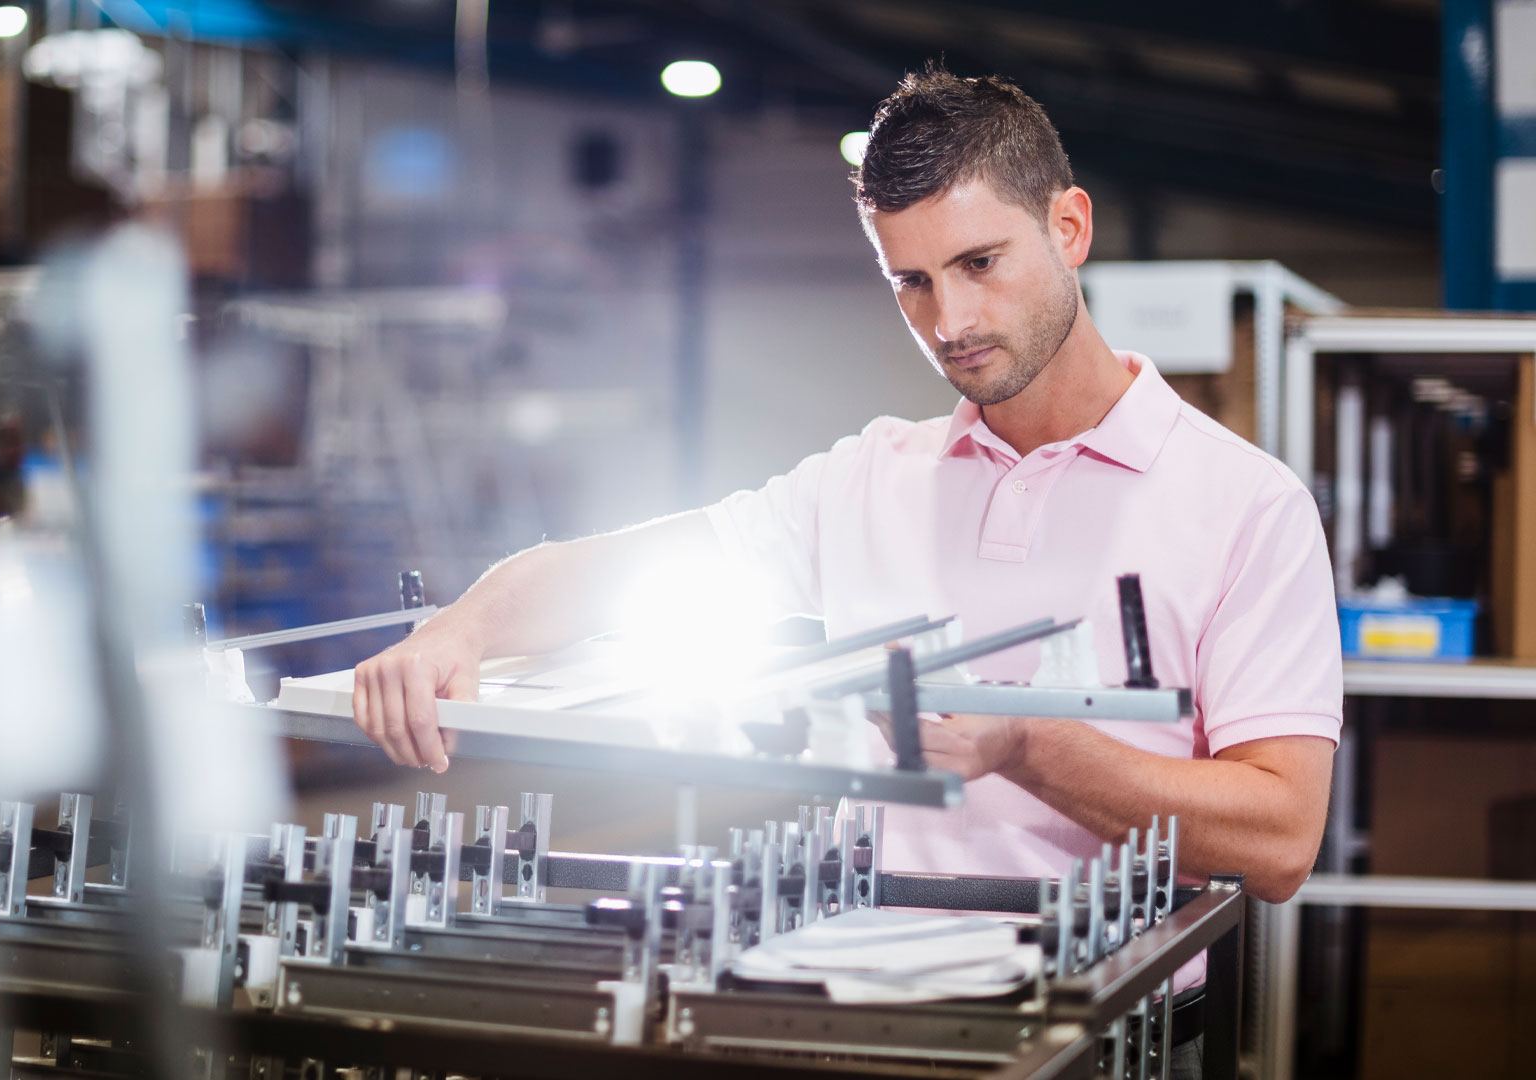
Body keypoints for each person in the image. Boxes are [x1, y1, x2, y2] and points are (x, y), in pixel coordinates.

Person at [349, 67, 1341, 1078]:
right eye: (911, 282)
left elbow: (1280, 838)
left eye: (980, 262)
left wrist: (1031, 745)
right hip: (868, 1027)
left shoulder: (1244, 507)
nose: (949, 320)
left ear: (1071, 228)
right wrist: (462, 628)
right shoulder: (870, 479)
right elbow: (625, 568)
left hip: (1113, 1041)